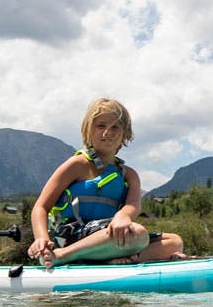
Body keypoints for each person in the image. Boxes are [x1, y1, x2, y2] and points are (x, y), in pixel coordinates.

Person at [28, 98, 185, 269]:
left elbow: (133, 205)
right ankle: (62, 255)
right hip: (74, 235)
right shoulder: (77, 164)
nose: (108, 132)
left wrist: (123, 216)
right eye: (101, 126)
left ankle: (111, 259)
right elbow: (40, 207)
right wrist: (41, 239)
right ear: (88, 130)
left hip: (111, 234)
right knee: (138, 233)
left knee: (174, 241)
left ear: (125, 134)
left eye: (115, 127)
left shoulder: (129, 175)